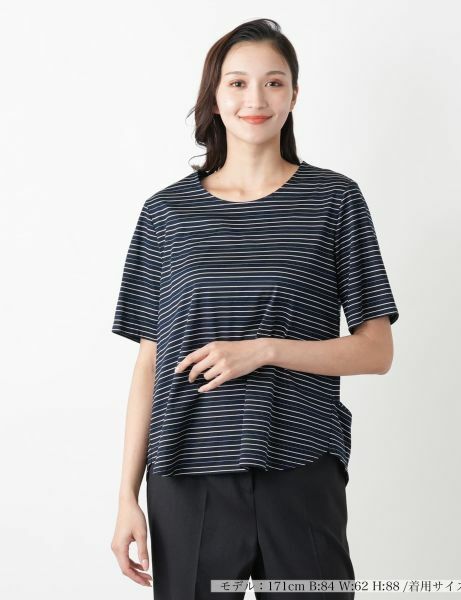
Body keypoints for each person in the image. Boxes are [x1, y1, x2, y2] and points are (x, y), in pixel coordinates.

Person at [110, 18, 399, 600]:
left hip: (300, 468)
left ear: (294, 94)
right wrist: (126, 497)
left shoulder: (334, 200)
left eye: (274, 82)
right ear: (215, 96)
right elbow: (149, 363)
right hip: (187, 472)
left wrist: (264, 351)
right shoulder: (166, 214)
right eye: (238, 83)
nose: (256, 99)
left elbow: (377, 350)